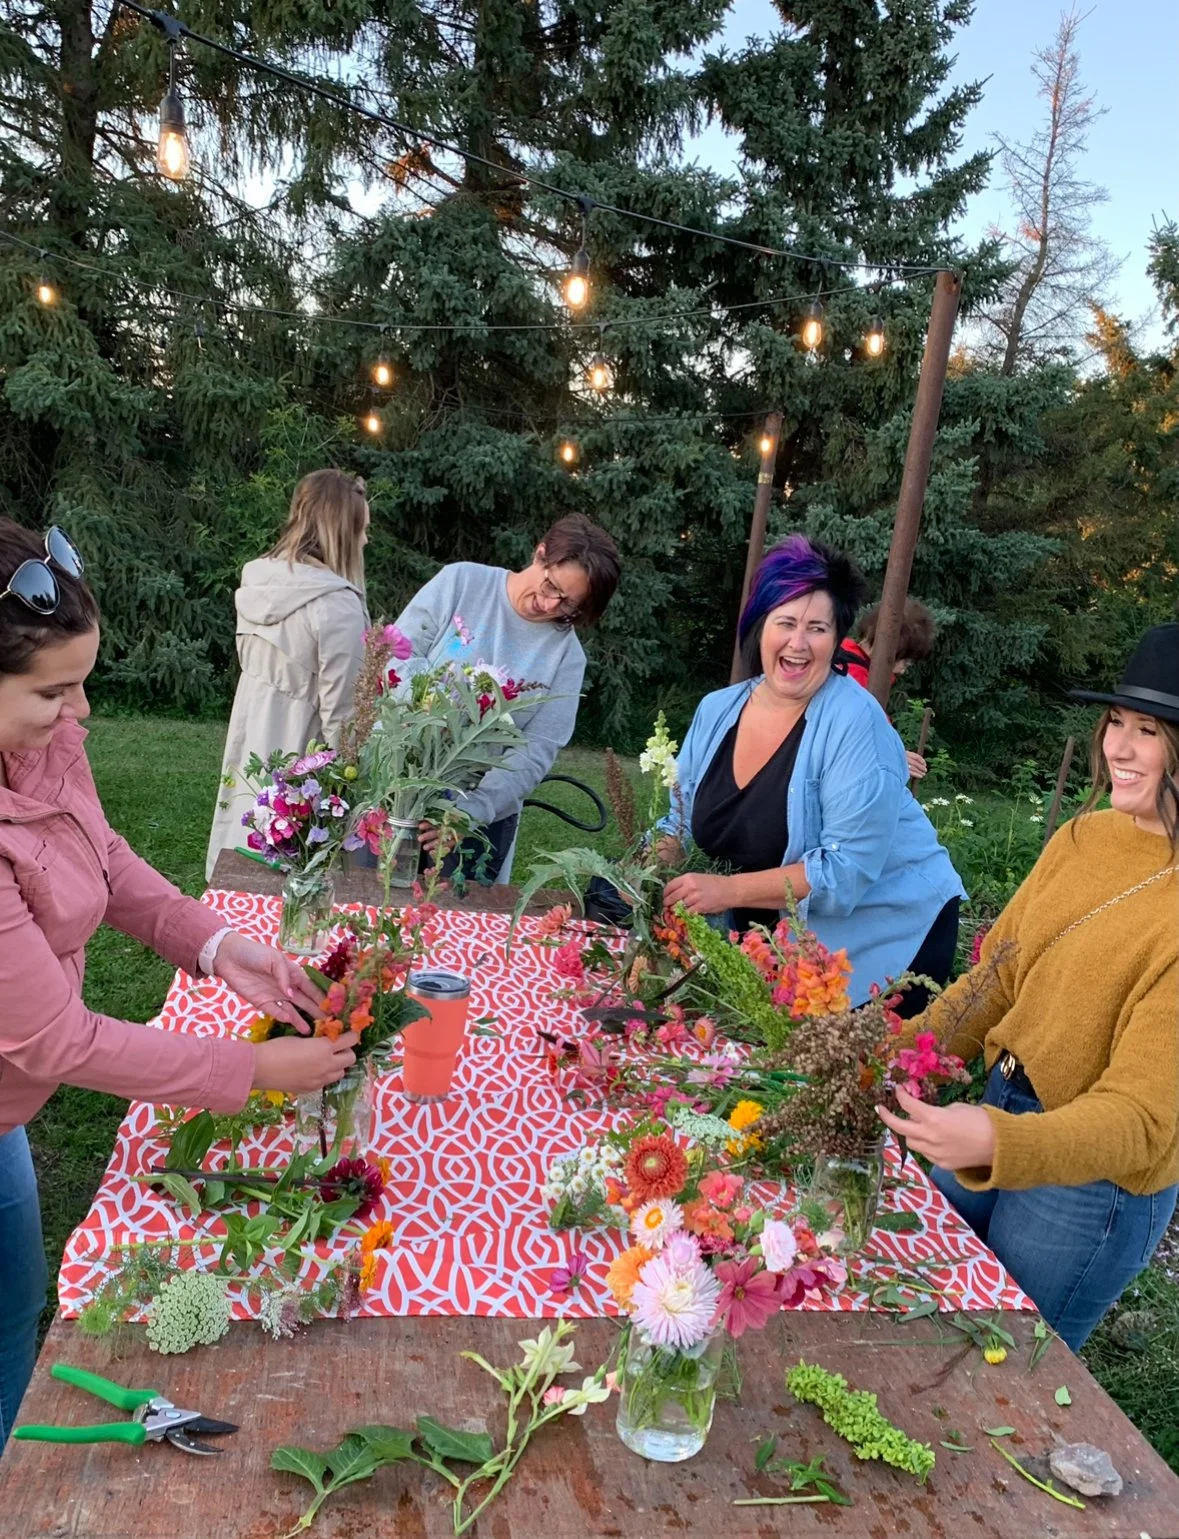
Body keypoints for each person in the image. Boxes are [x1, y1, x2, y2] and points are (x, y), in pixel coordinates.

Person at [0, 520, 359, 1446]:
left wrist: (217, 946)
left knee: (17, 1302)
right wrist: (256, 1075)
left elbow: (104, 859)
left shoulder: (40, 742)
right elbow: (56, 1041)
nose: (81, 713)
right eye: (54, 692)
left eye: (83, 682)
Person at [877, 623, 1179, 1351]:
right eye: (1115, 722)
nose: (1117, 747)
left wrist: (998, 1138)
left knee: (1003, 1374)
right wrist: (886, 1053)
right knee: (908, 1312)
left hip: (1090, 1183)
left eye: (1148, 731)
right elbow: (997, 973)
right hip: (1000, 1107)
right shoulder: (1082, 836)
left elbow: (1141, 1118)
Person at [659, 534, 965, 1011]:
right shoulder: (717, 711)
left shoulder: (855, 723)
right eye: (785, 622)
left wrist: (727, 891)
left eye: (817, 628)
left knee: (826, 1080)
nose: (798, 643)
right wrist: (642, 869)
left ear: (836, 637)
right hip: (778, 931)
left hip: (885, 938)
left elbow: (844, 874)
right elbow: (678, 818)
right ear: (760, 627)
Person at [394, 513, 621, 884]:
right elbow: (397, 656)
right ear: (540, 554)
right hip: (396, 793)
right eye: (551, 586)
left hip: (474, 827)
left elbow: (535, 751)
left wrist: (470, 812)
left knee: (458, 935)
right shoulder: (461, 582)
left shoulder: (567, 657)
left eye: (568, 605)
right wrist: (432, 709)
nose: (550, 607)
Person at [206, 469, 370, 880]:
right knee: (295, 860)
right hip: (301, 751)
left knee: (245, 842)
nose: (366, 540)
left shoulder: (258, 581)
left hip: (252, 735)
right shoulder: (338, 606)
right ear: (341, 531)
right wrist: (355, 781)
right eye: (362, 529)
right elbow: (343, 717)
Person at [838, 598, 937, 780]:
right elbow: (865, 737)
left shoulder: (843, 656)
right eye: (906, 662)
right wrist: (897, 758)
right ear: (893, 649)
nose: (903, 670)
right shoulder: (854, 679)